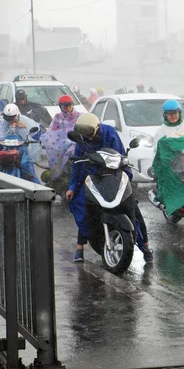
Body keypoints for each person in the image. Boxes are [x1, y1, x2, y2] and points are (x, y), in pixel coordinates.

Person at [65, 113, 153, 263]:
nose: (90, 138)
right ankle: (80, 246)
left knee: (132, 208)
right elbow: (78, 165)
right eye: (86, 136)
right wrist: (73, 186)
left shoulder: (109, 132)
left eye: (91, 134)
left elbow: (119, 154)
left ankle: (144, 245)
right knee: (82, 204)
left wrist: (123, 172)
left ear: (97, 128)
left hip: (114, 174)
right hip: (92, 177)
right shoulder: (82, 139)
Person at [40, 95, 82, 183]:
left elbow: (82, 130)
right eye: (65, 106)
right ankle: (57, 177)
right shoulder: (58, 117)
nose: (68, 108)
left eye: (69, 105)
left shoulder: (80, 116)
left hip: (77, 142)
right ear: (61, 107)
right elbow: (52, 132)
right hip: (60, 144)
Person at [0, 104, 41, 183]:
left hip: (22, 150)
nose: (9, 121)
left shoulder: (25, 120)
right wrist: (11, 128)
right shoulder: (3, 123)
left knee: (29, 171)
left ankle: (38, 191)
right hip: (6, 150)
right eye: (7, 119)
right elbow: (1, 136)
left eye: (11, 118)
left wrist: (24, 128)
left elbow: (36, 134)